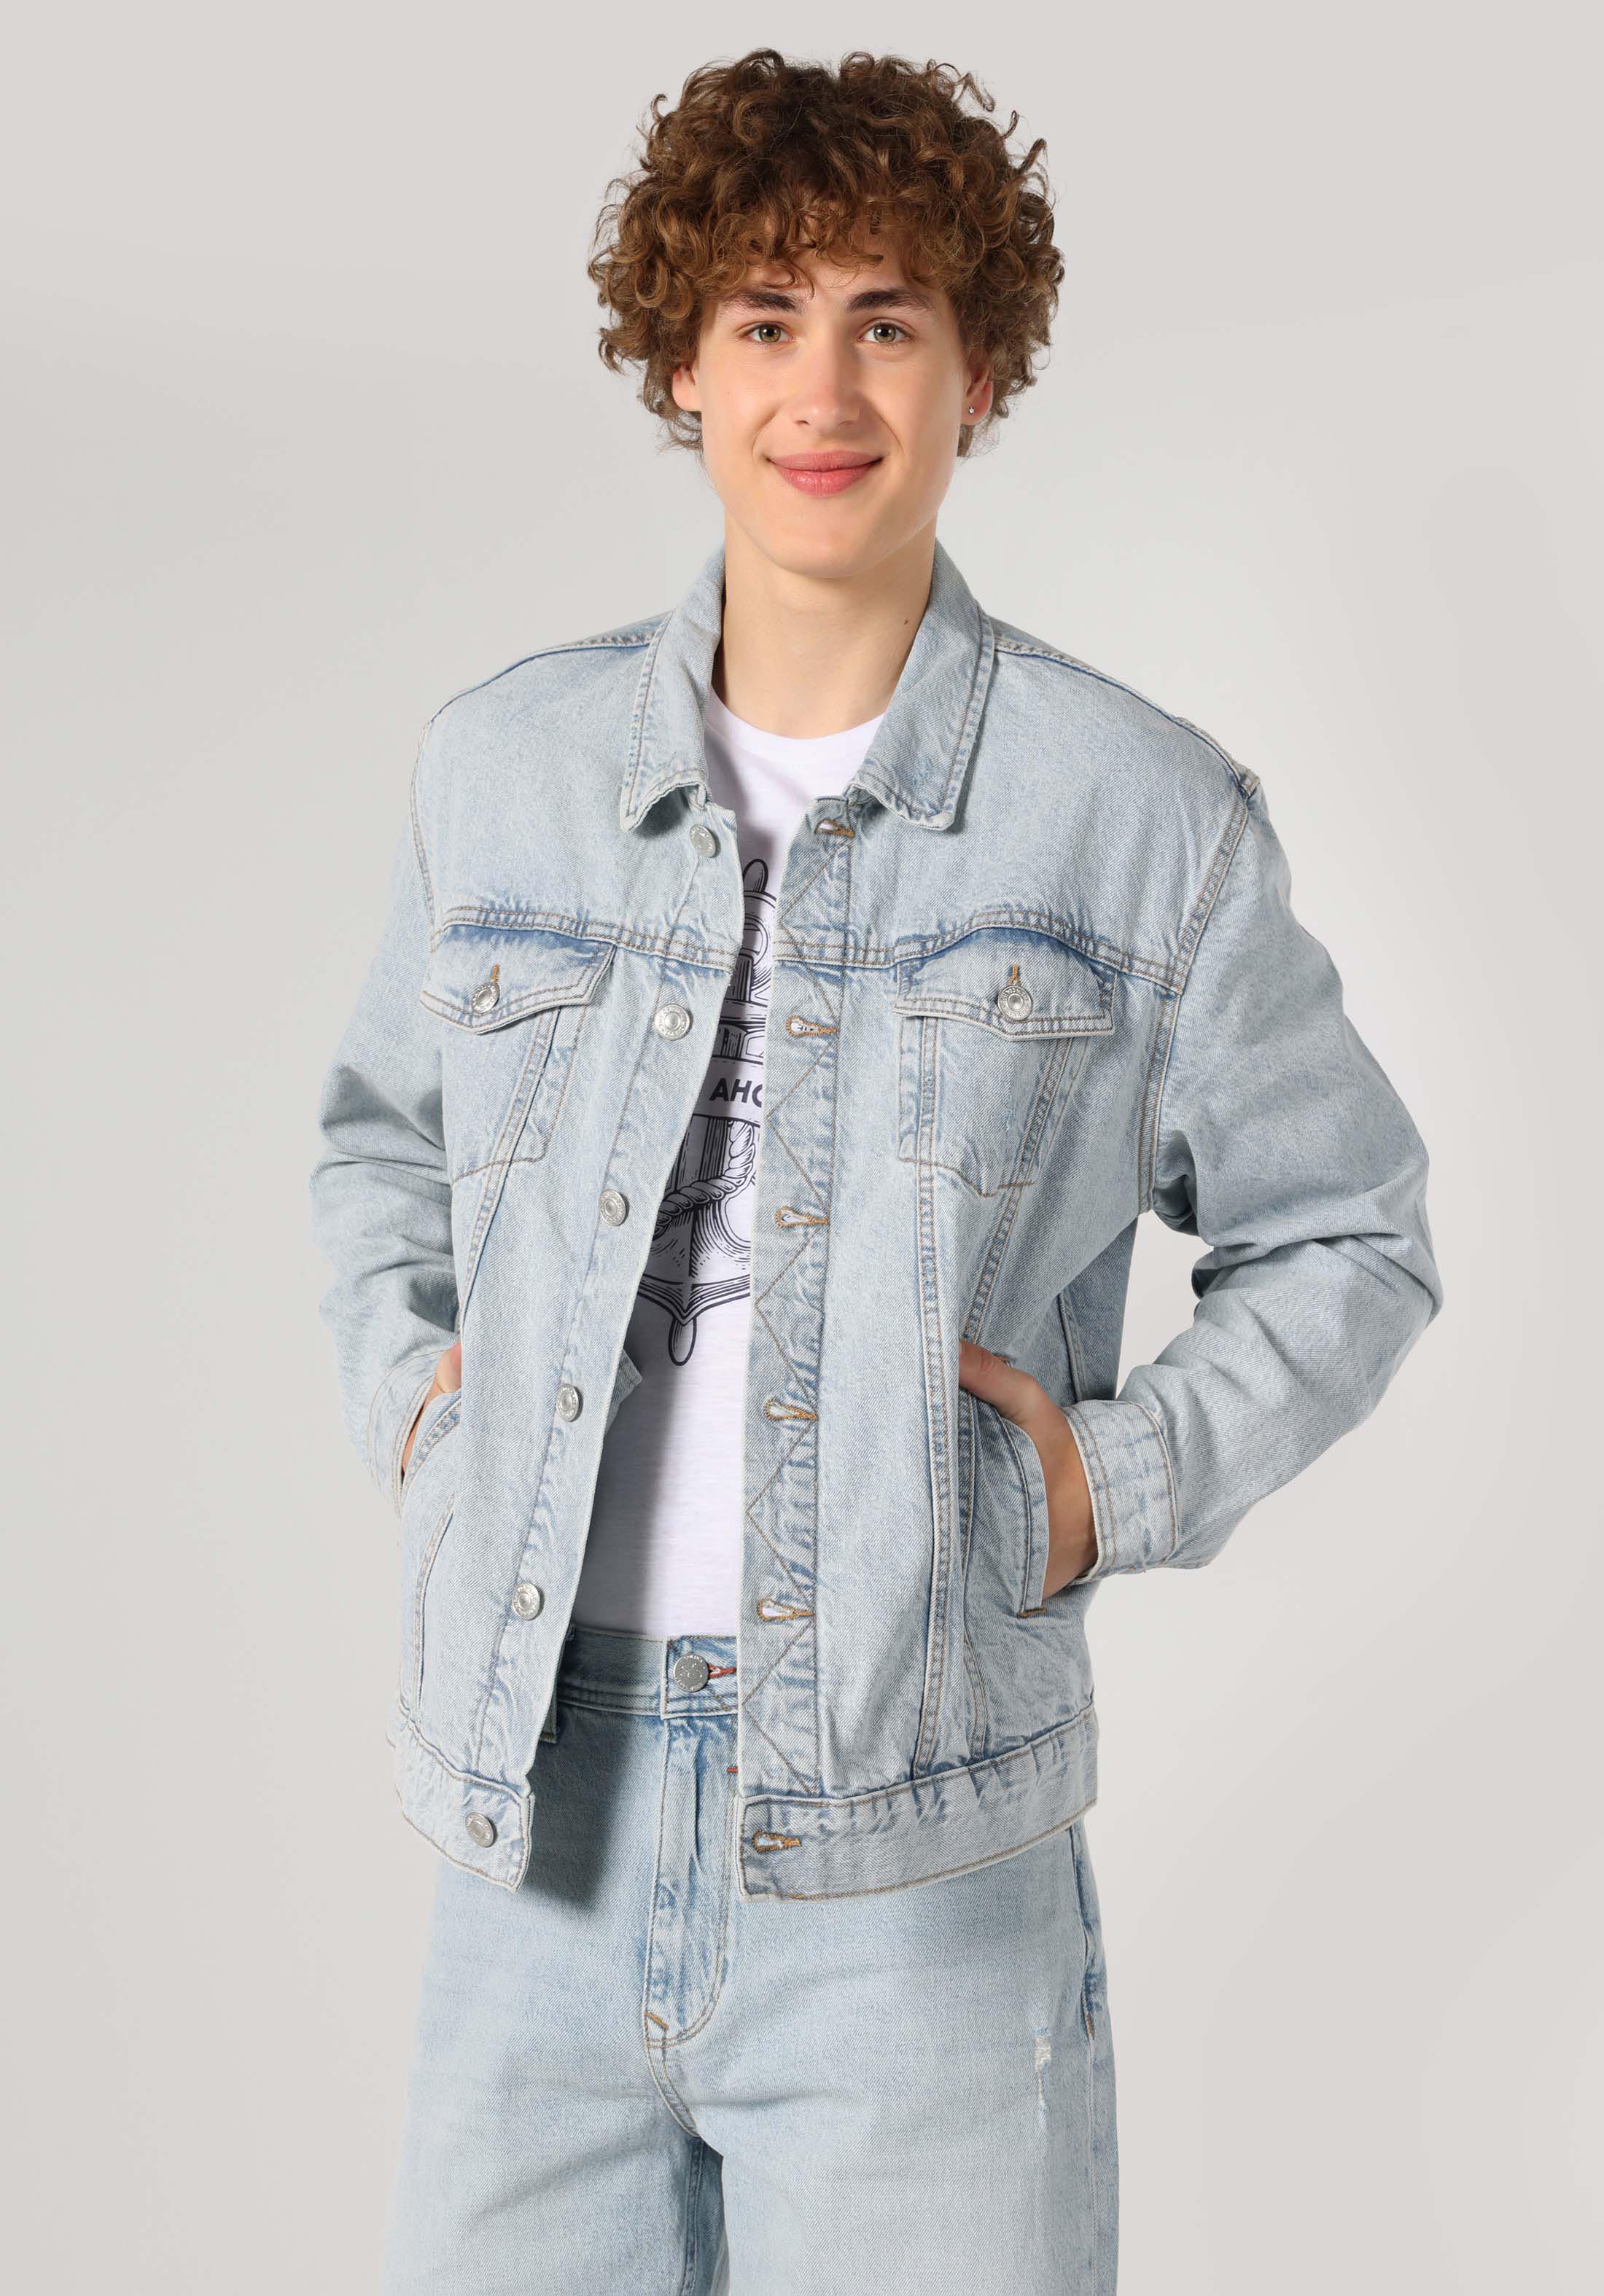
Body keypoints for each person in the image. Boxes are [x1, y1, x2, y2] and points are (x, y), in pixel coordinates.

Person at [308, 47, 1442, 2295]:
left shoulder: (1137, 815)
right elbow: (376, 1152)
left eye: (887, 321)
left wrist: (1109, 1483)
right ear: (681, 363)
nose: (822, 391)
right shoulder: (503, 772)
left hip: (920, 1868)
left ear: (977, 372)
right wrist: (424, 1418)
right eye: (764, 319)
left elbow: (1352, 1236)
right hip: (531, 1828)